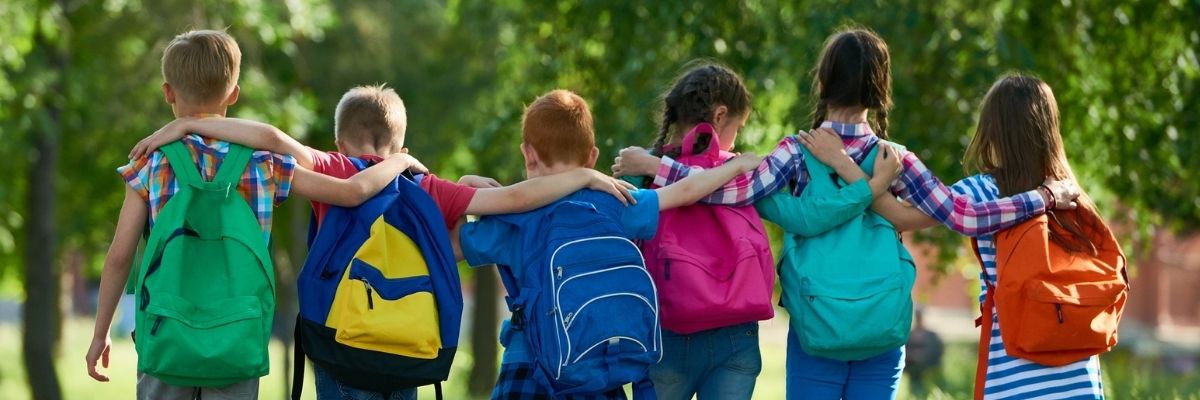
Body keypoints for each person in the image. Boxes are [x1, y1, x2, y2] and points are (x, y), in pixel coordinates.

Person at [614, 28, 1081, 399]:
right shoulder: (894, 159)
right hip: (882, 330)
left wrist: (661, 167)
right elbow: (965, 216)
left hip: (817, 327)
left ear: (823, 83)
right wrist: (1042, 196)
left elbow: (731, 191)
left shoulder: (796, 152)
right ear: (880, 90)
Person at [130, 84, 638, 400]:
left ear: (339, 141)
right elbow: (516, 199)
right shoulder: (428, 186)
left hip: (343, 345)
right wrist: (583, 176)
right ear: (402, 144)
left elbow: (271, 138)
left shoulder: (335, 168)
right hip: (409, 348)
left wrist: (188, 123)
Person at [85, 29, 426, 400]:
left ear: (168, 92)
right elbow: (350, 193)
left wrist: (101, 334)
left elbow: (119, 257)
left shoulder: (150, 163)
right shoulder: (263, 164)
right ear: (234, 94)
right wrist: (398, 161)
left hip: (165, 331)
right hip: (239, 333)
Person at [613, 63, 898, 400]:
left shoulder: (640, 170)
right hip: (734, 333)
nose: (737, 139)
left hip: (667, 331)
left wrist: (650, 165)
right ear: (720, 116)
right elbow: (807, 217)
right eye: (739, 127)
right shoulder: (744, 171)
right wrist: (872, 188)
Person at [457, 89, 762, 399]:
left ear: (528, 154)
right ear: (592, 156)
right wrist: (735, 166)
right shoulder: (614, 201)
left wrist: (465, 189)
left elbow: (451, 248)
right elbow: (685, 191)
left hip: (530, 365)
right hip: (600, 362)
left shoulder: (514, 218)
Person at [883, 74, 1106, 399]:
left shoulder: (983, 190)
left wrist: (870, 169)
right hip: (1079, 375)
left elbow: (906, 214)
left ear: (994, 130)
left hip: (1015, 372)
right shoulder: (1070, 193)